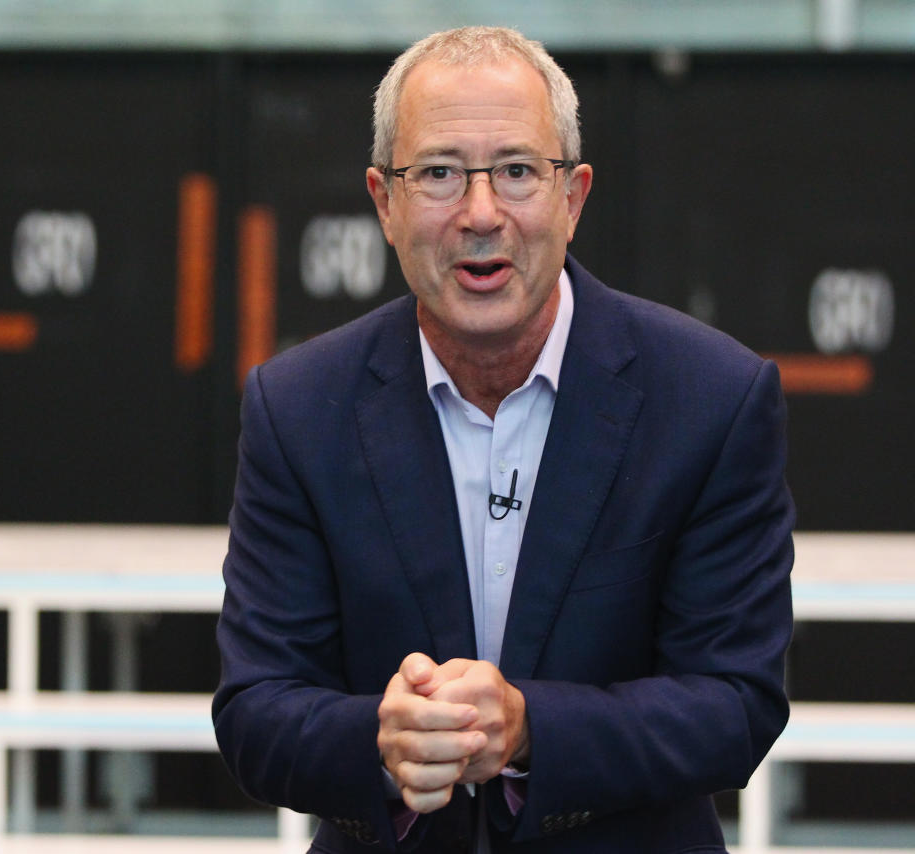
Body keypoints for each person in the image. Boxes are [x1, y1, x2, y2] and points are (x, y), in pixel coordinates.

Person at [213, 25, 794, 853]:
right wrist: (381, 743)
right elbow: (256, 709)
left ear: (573, 197)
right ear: (384, 201)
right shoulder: (298, 406)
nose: (481, 213)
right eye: (440, 174)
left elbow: (736, 703)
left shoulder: (712, 398)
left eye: (518, 171)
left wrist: (529, 730)